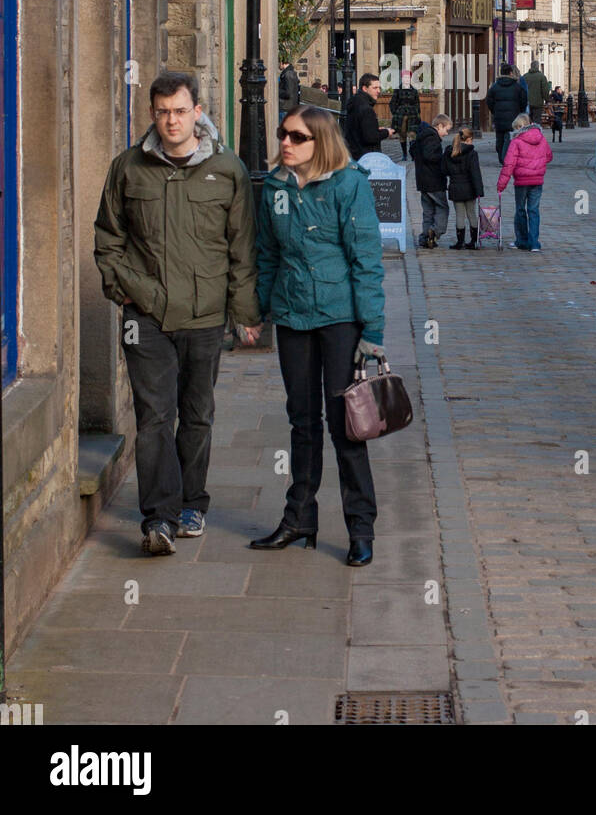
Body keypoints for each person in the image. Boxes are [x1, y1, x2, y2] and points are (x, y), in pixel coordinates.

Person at [94, 71, 261, 556]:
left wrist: (244, 313)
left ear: (197, 112)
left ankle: (192, 503)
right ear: (152, 114)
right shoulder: (128, 168)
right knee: (153, 418)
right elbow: (108, 238)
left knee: (198, 415)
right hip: (144, 315)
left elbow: (242, 249)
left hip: (205, 315)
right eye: (163, 111)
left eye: (180, 111)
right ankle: (159, 519)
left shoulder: (226, 170)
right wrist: (123, 289)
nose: (172, 120)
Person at [250, 105, 385, 567]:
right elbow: (266, 253)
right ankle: (299, 519)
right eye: (282, 134)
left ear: (320, 142)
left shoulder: (349, 185)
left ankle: (360, 528)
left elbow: (366, 261)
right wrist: (257, 312)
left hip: (339, 319)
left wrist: (374, 332)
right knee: (301, 423)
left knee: (346, 425)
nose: (285, 143)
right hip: (292, 317)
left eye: (296, 137)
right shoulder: (275, 189)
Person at [497, 113, 553, 252]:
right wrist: (537, 164)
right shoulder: (541, 138)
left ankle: (521, 240)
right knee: (533, 211)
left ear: (520, 126)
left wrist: (501, 184)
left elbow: (509, 164)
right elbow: (549, 156)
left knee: (520, 210)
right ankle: (534, 243)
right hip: (537, 180)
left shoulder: (516, 142)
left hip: (521, 182)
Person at [410, 113, 453, 248]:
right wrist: (444, 156)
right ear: (439, 126)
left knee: (428, 210)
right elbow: (430, 156)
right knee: (442, 208)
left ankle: (426, 238)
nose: (446, 133)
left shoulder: (421, 137)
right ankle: (434, 231)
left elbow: (413, 152)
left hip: (422, 181)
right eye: (446, 130)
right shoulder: (432, 138)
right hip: (434, 181)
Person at [443, 126, 485, 249]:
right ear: (469, 139)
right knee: (471, 213)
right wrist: (479, 190)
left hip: (455, 187)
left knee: (459, 215)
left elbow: (444, 170)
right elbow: (475, 173)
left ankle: (459, 242)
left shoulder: (449, 152)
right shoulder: (472, 153)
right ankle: (474, 241)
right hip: (469, 188)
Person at [344, 72, 394, 160]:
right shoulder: (366, 109)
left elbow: (360, 129)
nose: (378, 91)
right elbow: (370, 137)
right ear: (365, 88)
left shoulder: (355, 103)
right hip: (366, 156)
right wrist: (386, 132)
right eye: (375, 88)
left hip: (355, 153)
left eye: (379, 88)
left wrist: (375, 129)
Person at [485, 63, 528, 163]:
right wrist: (520, 112)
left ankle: (501, 156)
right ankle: (505, 158)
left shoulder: (495, 87)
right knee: (509, 138)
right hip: (513, 118)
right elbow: (524, 100)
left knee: (499, 138)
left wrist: (494, 111)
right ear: (510, 72)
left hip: (499, 117)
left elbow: (489, 101)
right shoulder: (517, 87)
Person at [389, 70, 422, 161]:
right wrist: (395, 112)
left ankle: (413, 154)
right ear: (402, 78)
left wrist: (417, 113)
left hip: (412, 116)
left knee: (412, 135)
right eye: (404, 77)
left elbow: (417, 103)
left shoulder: (414, 91)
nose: (406, 79)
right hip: (401, 116)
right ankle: (404, 154)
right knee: (402, 135)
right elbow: (392, 103)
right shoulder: (397, 90)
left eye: (408, 77)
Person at [524, 59, 551, 124]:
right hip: (538, 103)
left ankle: (529, 133)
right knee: (537, 120)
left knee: (528, 120)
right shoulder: (541, 77)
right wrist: (547, 100)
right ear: (538, 67)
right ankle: (536, 133)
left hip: (527, 103)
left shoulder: (525, 76)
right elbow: (545, 90)